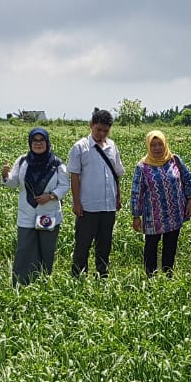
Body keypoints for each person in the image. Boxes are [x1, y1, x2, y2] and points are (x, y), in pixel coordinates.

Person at [1, 127, 70, 285]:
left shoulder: (57, 163)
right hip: (27, 212)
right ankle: (21, 283)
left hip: (48, 213)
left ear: (47, 142)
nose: (38, 144)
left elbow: (65, 185)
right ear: (30, 143)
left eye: (41, 140)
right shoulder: (23, 161)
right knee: (24, 248)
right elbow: (13, 182)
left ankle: (43, 282)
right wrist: (5, 175)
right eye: (35, 141)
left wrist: (51, 196)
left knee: (46, 249)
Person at [68, 108, 124, 277]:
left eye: (106, 130)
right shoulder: (80, 147)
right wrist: (76, 202)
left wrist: (118, 196)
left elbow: (116, 174)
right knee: (83, 244)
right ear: (91, 125)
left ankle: (102, 274)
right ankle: (78, 275)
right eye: (98, 129)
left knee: (105, 243)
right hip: (88, 205)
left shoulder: (112, 146)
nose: (102, 133)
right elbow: (75, 177)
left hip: (108, 205)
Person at [130, 130, 191, 276]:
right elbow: (136, 192)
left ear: (165, 144)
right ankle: (150, 276)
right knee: (151, 246)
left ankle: (168, 275)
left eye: (160, 144)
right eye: (153, 145)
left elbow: (188, 179)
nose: (157, 148)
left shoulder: (174, 160)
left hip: (175, 213)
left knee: (170, 246)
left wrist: (190, 200)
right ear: (148, 146)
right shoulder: (142, 167)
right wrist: (136, 215)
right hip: (153, 216)